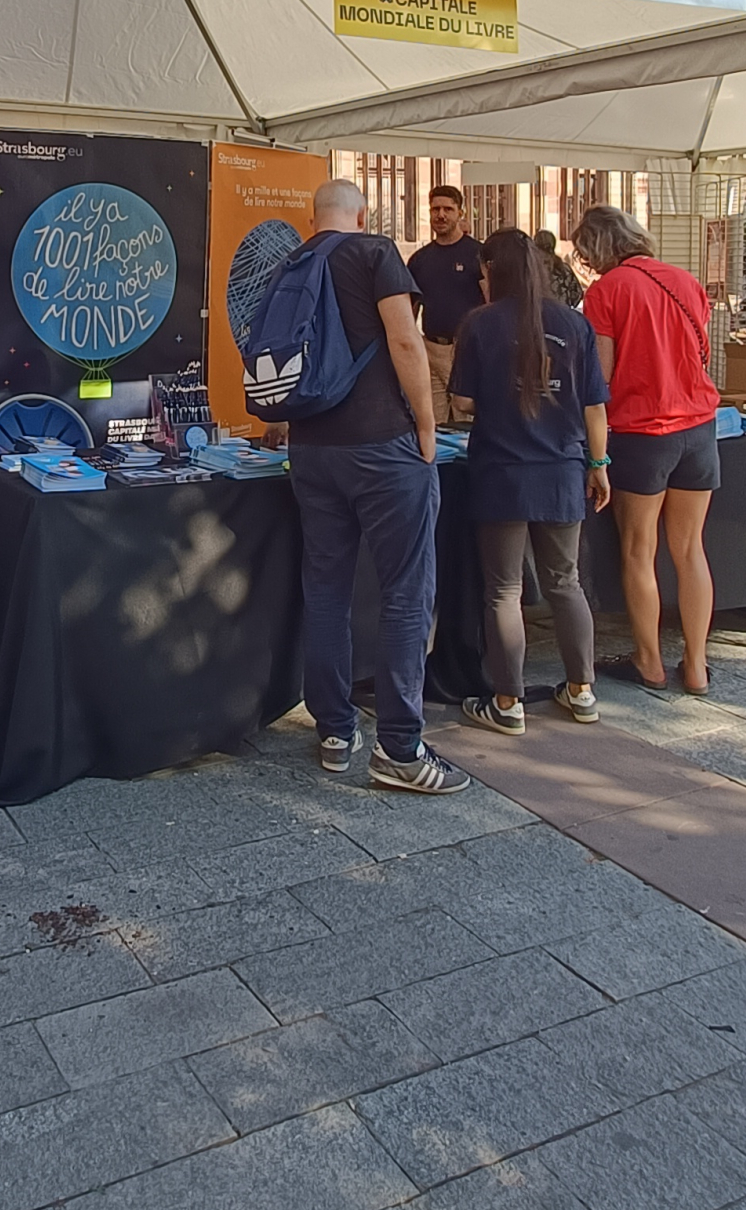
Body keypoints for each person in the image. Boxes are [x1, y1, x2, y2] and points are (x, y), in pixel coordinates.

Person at [279, 178, 469, 795]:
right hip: (382, 445)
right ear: (361, 215)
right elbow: (405, 338)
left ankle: (335, 731)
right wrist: (426, 424)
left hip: (311, 447)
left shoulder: (292, 262)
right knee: (405, 595)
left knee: (325, 591)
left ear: (314, 217)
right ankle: (401, 749)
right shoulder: (375, 252)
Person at [447, 231, 609, 734]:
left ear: (493, 271)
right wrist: (599, 464)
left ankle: (507, 702)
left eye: (482, 272)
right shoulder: (575, 324)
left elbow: (463, 402)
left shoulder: (480, 324)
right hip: (562, 470)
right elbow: (594, 407)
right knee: (565, 581)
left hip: (502, 471)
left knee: (503, 589)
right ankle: (582, 691)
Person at [573, 205, 719, 695]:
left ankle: (649, 661)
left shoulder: (606, 291)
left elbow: (602, 376)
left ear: (595, 250)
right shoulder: (685, 280)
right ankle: (696, 666)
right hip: (698, 426)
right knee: (690, 549)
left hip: (640, 431)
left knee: (640, 550)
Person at [407, 184, 483, 423]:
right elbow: (410, 310)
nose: (441, 215)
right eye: (435, 209)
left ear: (460, 213)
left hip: (467, 349)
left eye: (448, 209)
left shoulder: (477, 254)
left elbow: (491, 301)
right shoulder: (419, 260)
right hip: (431, 350)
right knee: (432, 421)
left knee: (467, 420)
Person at [534, 227, 585, 309]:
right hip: (562, 313)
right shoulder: (564, 269)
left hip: (537, 314)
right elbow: (577, 295)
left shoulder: (531, 268)